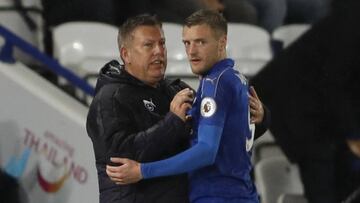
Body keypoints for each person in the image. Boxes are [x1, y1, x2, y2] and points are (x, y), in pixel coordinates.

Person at [106, 10, 262, 203]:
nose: (192, 51)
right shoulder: (235, 78)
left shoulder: (216, 82)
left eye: (200, 42)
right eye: (187, 43)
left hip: (219, 196)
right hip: (241, 193)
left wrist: (143, 170)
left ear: (222, 43)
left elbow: (206, 151)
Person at [251, 0, 360, 202]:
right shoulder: (353, 16)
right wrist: (354, 136)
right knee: (324, 187)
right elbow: (336, 81)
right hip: (300, 105)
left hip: (324, 106)